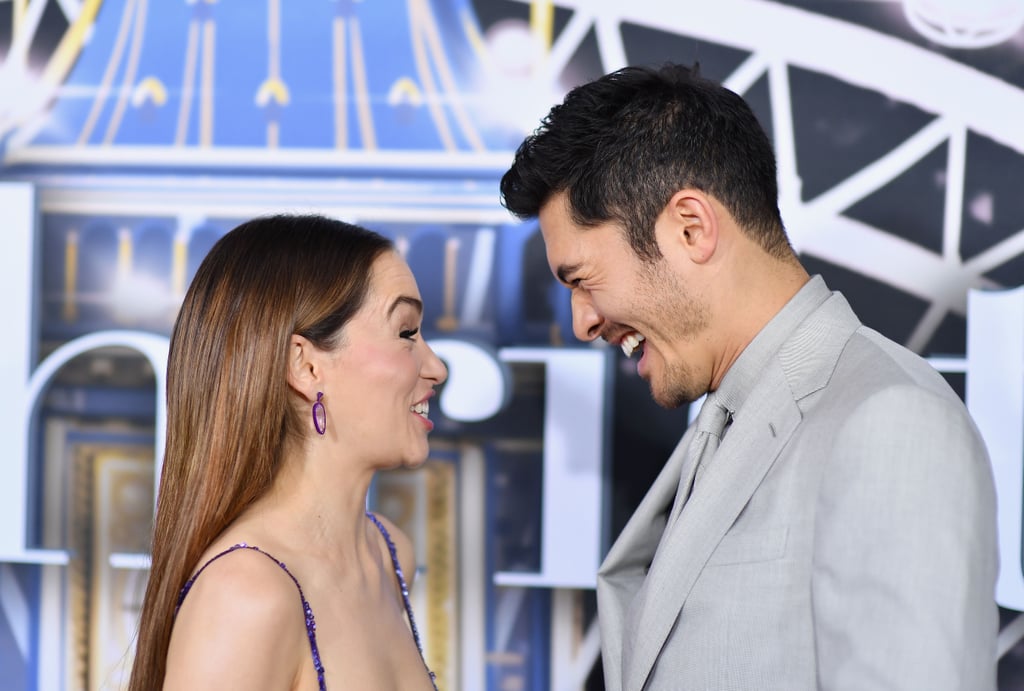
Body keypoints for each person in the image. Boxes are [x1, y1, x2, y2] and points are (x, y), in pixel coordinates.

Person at [500, 63, 998, 690]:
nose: (582, 322)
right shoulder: (732, 415)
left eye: (581, 279)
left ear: (691, 228)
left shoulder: (891, 420)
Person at [128, 214, 446, 690]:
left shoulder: (390, 554)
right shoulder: (246, 595)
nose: (436, 367)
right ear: (306, 366)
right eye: (406, 333)